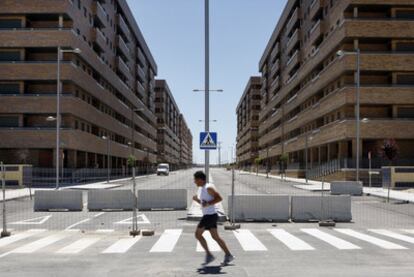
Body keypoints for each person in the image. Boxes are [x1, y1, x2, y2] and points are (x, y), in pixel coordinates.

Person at [192, 171, 234, 266]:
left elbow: (219, 198)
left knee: (197, 235)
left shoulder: (208, 187)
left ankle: (209, 255)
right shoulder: (202, 189)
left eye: (195, 179)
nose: (194, 182)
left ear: (200, 180)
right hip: (210, 215)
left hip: (209, 216)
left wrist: (208, 203)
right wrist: (197, 200)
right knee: (215, 237)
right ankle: (228, 255)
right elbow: (204, 204)